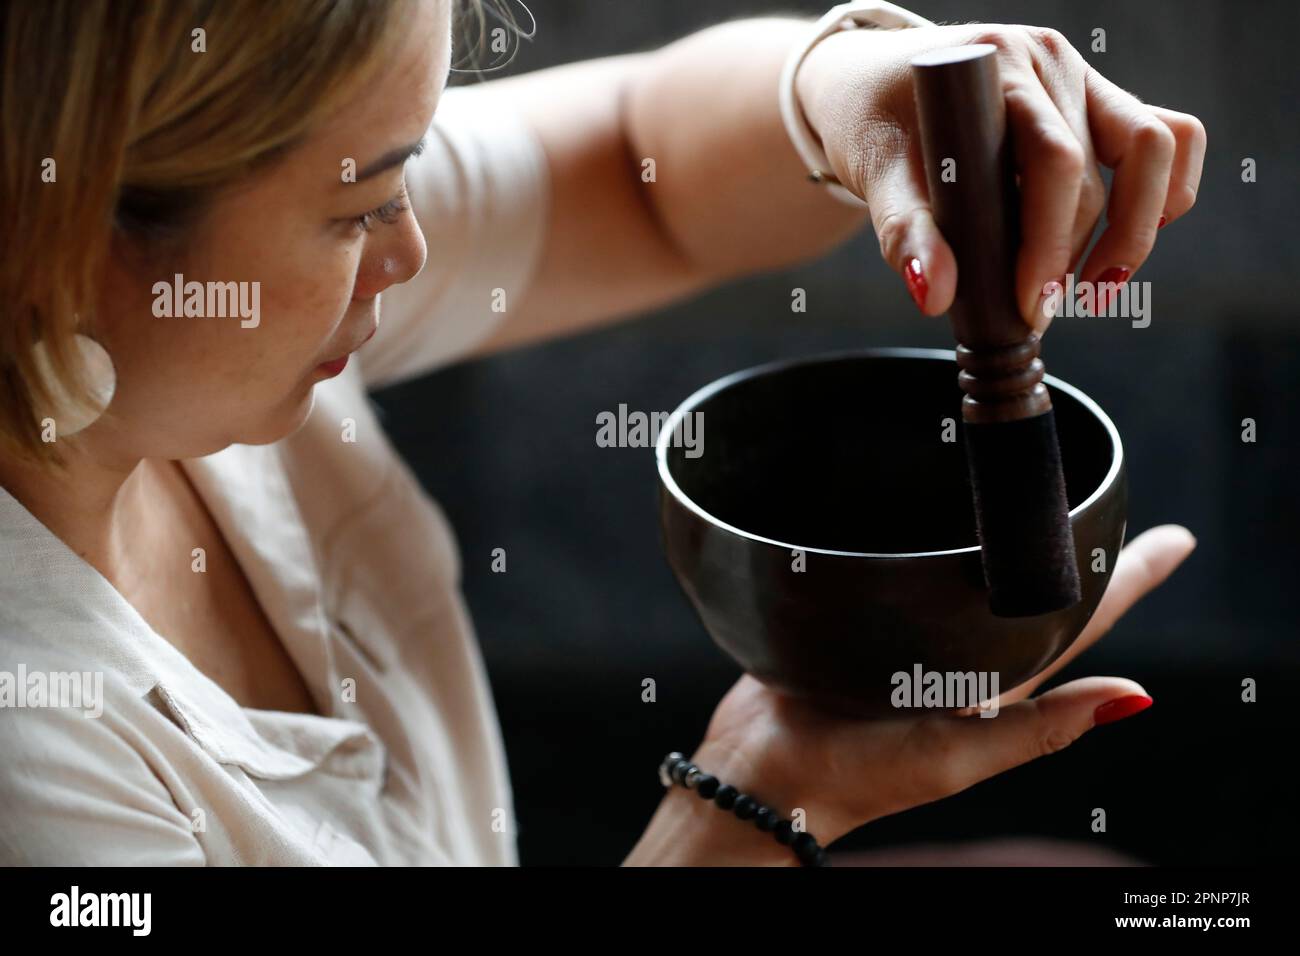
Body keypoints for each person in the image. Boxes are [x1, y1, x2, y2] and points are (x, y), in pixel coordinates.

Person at [0, 0, 1203, 866]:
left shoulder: (197, 310)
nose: (412, 253)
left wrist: (842, 83)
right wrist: (747, 810)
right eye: (363, 207)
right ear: (72, 232)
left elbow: (642, 174)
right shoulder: (33, 766)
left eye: (413, 171)